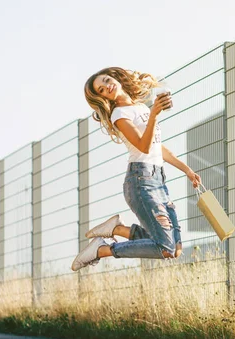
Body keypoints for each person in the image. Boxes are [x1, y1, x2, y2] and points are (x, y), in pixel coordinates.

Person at [71, 67, 201, 271]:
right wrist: (155, 115)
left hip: (158, 179)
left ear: (114, 77)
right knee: (164, 247)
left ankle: (118, 229)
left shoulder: (140, 107)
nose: (107, 86)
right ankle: (102, 250)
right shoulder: (119, 115)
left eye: (106, 81)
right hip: (141, 182)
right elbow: (143, 146)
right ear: (104, 98)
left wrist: (187, 170)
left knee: (174, 249)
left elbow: (158, 147)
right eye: (102, 90)